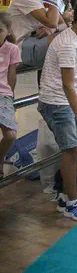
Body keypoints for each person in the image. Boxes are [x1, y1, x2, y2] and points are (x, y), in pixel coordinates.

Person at [39, 0, 77, 222]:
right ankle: (71, 203)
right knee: (72, 149)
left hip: (65, 100)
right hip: (56, 102)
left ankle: (68, 196)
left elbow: (71, 81)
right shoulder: (67, 43)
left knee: (76, 147)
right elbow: (66, 84)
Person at [9, 0, 70, 70]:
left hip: (29, 44)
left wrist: (51, 30)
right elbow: (52, 22)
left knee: (68, 34)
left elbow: (62, 25)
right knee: (67, 39)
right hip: (16, 48)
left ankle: (50, 83)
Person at [0, 14, 20, 179]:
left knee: (10, 134)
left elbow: (12, 77)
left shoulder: (12, 49)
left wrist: (9, 95)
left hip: (3, 95)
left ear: (7, 32)